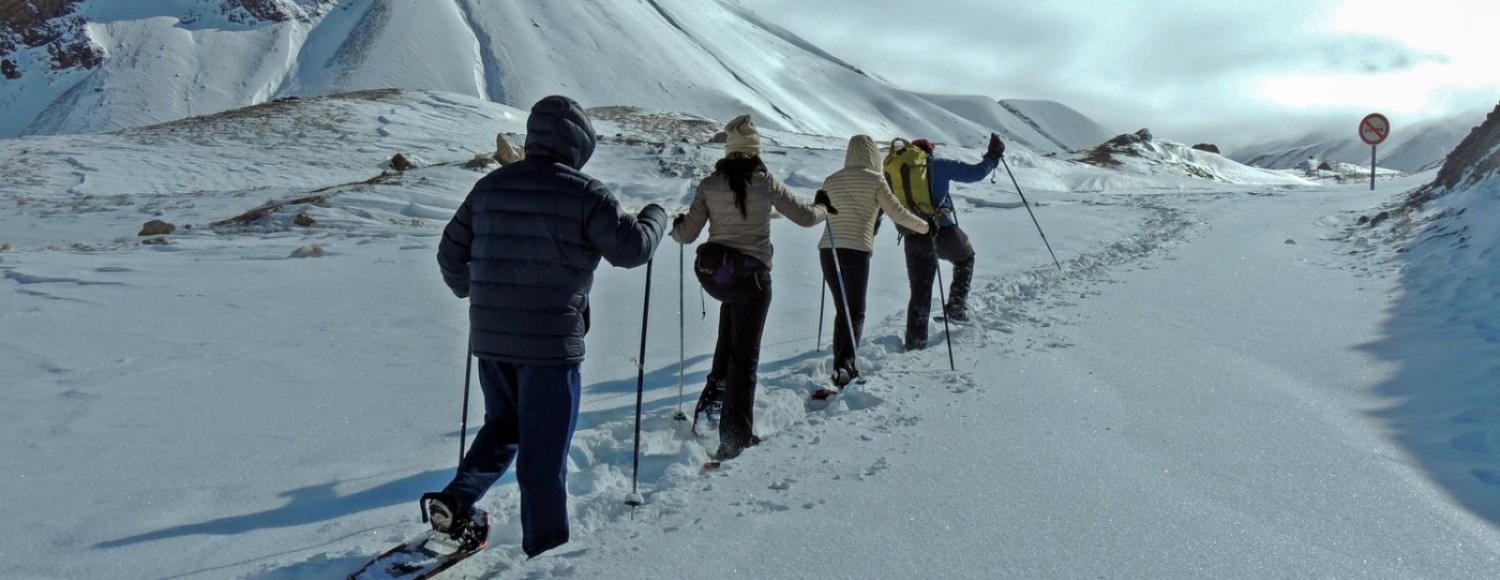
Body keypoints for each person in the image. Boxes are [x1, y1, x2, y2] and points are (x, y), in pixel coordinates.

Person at [429, 95, 668, 557]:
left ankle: (456, 501)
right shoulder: (585, 193)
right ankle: (546, 556)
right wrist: (656, 214)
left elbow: (449, 255)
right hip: (551, 347)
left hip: (492, 340)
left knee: (502, 428)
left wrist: (477, 292)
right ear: (579, 144)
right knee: (544, 456)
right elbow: (632, 249)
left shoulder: (489, 187)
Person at [672, 113, 833, 460]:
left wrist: (674, 225)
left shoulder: (709, 185)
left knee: (726, 345)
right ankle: (735, 438)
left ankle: (710, 410)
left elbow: (685, 235)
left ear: (729, 151)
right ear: (755, 151)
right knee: (744, 360)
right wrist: (823, 207)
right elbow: (805, 217)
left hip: (719, 279)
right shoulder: (765, 182)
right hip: (754, 281)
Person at [816, 134, 930, 386]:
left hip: (828, 249)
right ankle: (845, 366)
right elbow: (897, 213)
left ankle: (841, 364)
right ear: (872, 156)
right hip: (856, 249)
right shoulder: (876, 180)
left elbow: (823, 212)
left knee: (842, 308)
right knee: (855, 310)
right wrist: (925, 227)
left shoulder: (831, 180)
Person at [898, 133, 1005, 350]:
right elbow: (974, 174)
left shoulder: (900, 173)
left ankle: (915, 343)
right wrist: (993, 157)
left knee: (920, 291)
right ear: (929, 151)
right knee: (966, 257)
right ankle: (956, 307)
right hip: (942, 231)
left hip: (911, 234)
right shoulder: (939, 165)